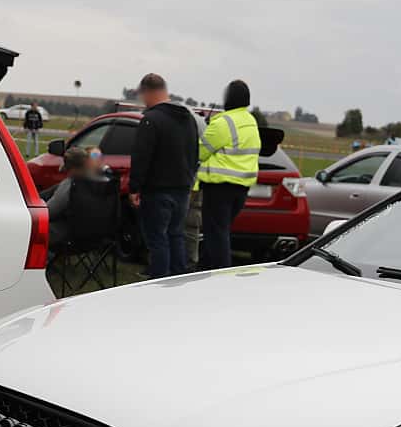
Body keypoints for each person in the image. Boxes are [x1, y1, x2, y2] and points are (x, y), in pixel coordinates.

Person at [126, 72, 198, 278]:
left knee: (157, 239)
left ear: (147, 92)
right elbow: (195, 154)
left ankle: (159, 282)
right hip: (182, 189)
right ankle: (178, 276)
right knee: (176, 235)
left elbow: (141, 157)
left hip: (158, 190)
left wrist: (134, 188)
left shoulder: (151, 120)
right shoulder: (188, 119)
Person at [195, 80, 261, 270]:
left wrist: (209, 129)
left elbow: (200, 152)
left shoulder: (224, 122)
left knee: (216, 234)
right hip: (241, 188)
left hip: (219, 188)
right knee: (218, 232)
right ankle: (203, 269)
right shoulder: (250, 121)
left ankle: (221, 275)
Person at [45, 146, 110, 250]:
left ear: (71, 168)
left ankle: (45, 260)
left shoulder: (71, 186)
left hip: (74, 238)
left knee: (35, 228)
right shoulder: (104, 182)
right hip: (101, 235)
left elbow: (48, 212)